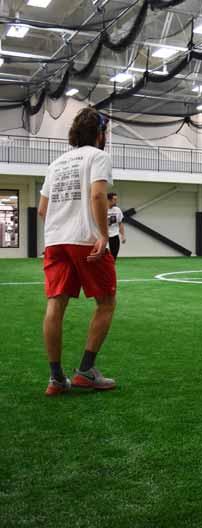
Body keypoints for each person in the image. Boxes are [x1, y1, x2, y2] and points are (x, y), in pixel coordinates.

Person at [38, 107, 117, 396]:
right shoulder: (98, 156)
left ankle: (56, 379)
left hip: (56, 241)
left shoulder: (56, 163)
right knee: (106, 302)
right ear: (99, 134)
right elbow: (98, 194)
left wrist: (63, 227)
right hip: (85, 239)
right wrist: (102, 234)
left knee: (55, 305)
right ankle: (85, 371)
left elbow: (43, 209)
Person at [107, 192, 126, 260]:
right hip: (104, 236)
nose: (116, 201)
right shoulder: (101, 209)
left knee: (113, 256)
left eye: (116, 199)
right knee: (103, 256)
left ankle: (112, 269)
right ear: (109, 200)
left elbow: (120, 223)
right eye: (114, 199)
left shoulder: (117, 210)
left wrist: (123, 236)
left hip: (114, 235)